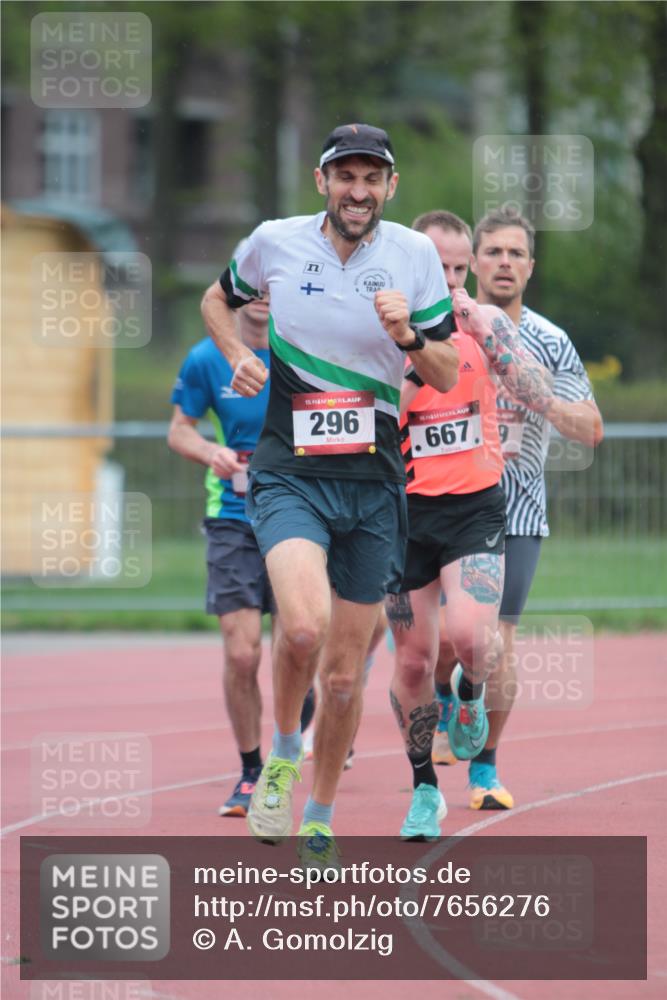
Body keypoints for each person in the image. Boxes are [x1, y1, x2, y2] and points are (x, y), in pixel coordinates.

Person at [201, 123, 459, 865]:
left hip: (374, 485)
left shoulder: (411, 255)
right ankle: (282, 755)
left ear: (390, 187)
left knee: (345, 675)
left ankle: (317, 812)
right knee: (303, 629)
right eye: (344, 175)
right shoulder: (274, 242)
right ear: (321, 181)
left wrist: (408, 336)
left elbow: (442, 372)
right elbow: (217, 301)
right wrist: (235, 353)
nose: (357, 189)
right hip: (289, 473)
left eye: (370, 177)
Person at [387, 209, 566, 840]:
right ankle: (424, 791)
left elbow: (540, 390)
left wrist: (491, 337)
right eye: (440, 270)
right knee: (412, 662)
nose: (456, 282)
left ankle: (467, 699)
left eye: (462, 269)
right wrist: (416, 344)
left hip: (474, 507)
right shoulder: (386, 333)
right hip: (405, 515)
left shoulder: (481, 324)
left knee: (471, 637)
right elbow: (387, 412)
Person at [431, 205, 603, 810]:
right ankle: (449, 694)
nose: (504, 263)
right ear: (472, 262)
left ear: (531, 267)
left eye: (516, 254)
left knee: (496, 643)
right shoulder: (442, 325)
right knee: (448, 641)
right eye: (493, 252)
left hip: (516, 511)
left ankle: (485, 771)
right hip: (443, 502)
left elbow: (592, 427)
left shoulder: (550, 341)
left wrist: (543, 400)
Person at [168, 293, 314, 818]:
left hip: (300, 515)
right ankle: (253, 770)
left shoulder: (306, 350)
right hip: (232, 516)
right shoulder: (207, 358)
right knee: (243, 652)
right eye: (254, 286)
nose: (264, 299)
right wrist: (211, 451)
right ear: (234, 293)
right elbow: (178, 428)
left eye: (274, 287)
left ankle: (303, 703)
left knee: (299, 640)